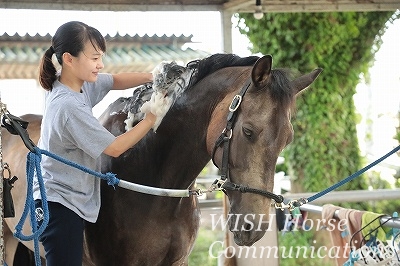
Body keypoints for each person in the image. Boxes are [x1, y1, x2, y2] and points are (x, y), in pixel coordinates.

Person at [33, 21, 166, 265]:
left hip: (69, 195)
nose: (100, 64)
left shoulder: (74, 85)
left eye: (101, 57)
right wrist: (151, 118)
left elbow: (114, 79)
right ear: (69, 59)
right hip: (59, 203)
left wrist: (154, 77)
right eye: (94, 58)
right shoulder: (67, 106)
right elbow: (115, 148)